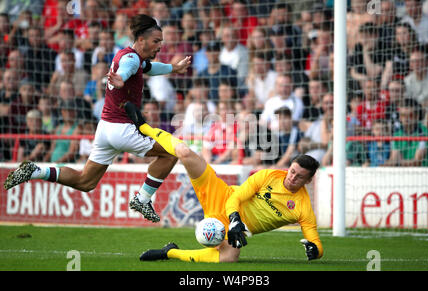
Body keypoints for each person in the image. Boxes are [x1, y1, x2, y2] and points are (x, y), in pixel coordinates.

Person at [4, 14, 192, 223]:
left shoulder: (132, 56)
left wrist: (174, 68)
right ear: (141, 40)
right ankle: (143, 198)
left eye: (161, 42)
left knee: (85, 181)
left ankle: (36, 170)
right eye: (156, 41)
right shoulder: (130, 60)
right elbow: (126, 70)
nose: (159, 46)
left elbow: (150, 68)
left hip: (105, 129)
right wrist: (121, 79)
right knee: (171, 152)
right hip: (122, 129)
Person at [123, 102, 323, 263]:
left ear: (309, 180)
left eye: (299, 176)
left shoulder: (303, 207)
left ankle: (170, 253)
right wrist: (236, 218)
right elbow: (236, 196)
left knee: (228, 258)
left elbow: (314, 238)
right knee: (184, 152)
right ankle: (145, 127)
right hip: (220, 195)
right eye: (292, 171)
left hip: (228, 225)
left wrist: (316, 250)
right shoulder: (270, 176)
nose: (292, 177)